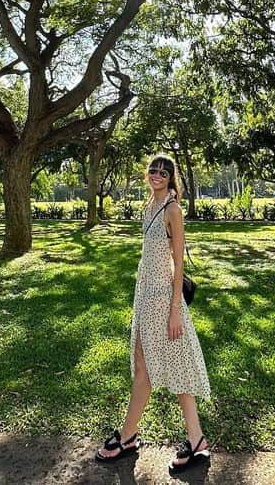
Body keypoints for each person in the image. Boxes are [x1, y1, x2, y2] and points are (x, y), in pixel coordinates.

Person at [94, 154, 211, 473]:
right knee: (170, 363)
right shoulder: (149, 206)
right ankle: (196, 439)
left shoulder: (173, 210)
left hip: (163, 300)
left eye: (165, 171)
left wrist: (176, 310)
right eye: (154, 170)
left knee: (152, 367)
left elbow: (178, 264)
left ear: (172, 178)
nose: (157, 174)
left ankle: (128, 436)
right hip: (146, 296)